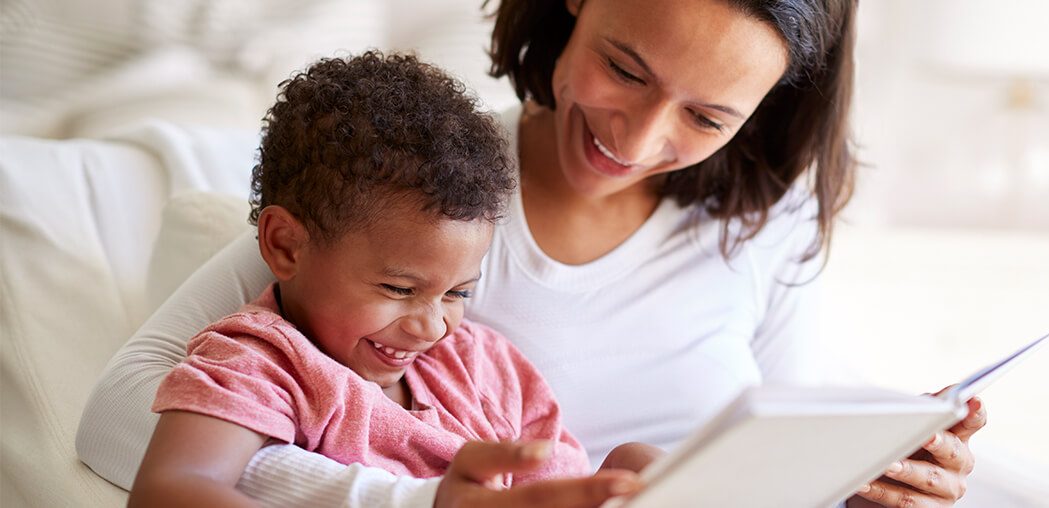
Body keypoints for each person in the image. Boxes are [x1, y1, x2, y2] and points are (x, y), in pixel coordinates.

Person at [79, 1, 987, 507]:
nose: (636, 140)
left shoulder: (763, 223)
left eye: (708, 116)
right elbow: (125, 423)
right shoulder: (417, 198)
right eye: (626, 70)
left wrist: (860, 473)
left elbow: (768, 433)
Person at [128, 51, 654, 507]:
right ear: (286, 245)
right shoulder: (266, 363)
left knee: (642, 464)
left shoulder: (482, 365)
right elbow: (171, 488)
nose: (432, 327)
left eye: (457, 293)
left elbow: (556, 483)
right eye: (400, 290)